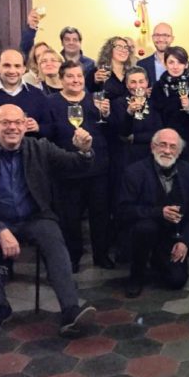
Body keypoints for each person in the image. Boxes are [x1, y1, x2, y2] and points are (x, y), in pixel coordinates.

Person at [0, 104, 97, 337]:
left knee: (53, 236)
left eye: (18, 122)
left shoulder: (39, 147)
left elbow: (75, 165)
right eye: (6, 123)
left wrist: (85, 152)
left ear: (25, 124)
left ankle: (71, 310)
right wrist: (0, 229)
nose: (12, 127)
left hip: (33, 217)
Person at [47, 61, 113, 271]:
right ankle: (73, 256)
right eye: (70, 76)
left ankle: (101, 255)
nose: (75, 80)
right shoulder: (51, 102)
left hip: (97, 167)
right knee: (70, 217)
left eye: (79, 76)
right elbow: (48, 134)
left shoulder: (96, 101)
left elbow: (109, 131)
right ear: (61, 79)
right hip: (68, 168)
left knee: (100, 214)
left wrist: (107, 115)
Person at [119, 129, 189, 298]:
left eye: (172, 147)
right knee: (146, 228)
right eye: (162, 145)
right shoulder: (134, 172)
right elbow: (123, 211)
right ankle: (136, 274)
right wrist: (158, 212)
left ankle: (157, 260)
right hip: (141, 232)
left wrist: (184, 242)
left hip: (171, 235)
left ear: (179, 151)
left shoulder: (187, 171)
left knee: (176, 281)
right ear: (152, 146)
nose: (167, 151)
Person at [150, 46, 189, 160]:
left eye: (180, 62)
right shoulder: (158, 87)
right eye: (171, 62)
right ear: (165, 64)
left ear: (186, 64)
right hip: (164, 142)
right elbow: (155, 115)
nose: (175, 66)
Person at [112, 66, 164, 165]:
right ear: (127, 84)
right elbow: (123, 135)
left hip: (152, 157)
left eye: (141, 81)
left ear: (147, 82)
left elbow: (159, 132)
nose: (137, 86)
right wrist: (129, 113)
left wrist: (135, 138)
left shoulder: (154, 102)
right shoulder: (118, 103)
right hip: (127, 158)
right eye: (133, 82)